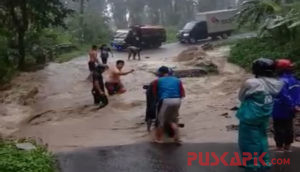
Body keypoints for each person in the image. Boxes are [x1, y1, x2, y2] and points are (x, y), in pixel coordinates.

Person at [236, 58, 283, 171]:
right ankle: (264, 162)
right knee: (262, 138)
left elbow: (241, 97)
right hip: (264, 115)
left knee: (249, 141)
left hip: (250, 117)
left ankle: (252, 165)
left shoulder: (251, 83)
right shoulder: (277, 83)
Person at [152, 66, 185, 144]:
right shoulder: (178, 80)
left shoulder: (157, 81)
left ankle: (159, 139)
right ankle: (177, 138)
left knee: (160, 121)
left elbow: (155, 93)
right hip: (177, 100)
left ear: (160, 73)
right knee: (173, 120)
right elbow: (182, 94)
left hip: (166, 100)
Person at [272, 59, 300, 152]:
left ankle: (279, 147)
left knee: (279, 127)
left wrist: (291, 105)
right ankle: (287, 146)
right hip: (292, 108)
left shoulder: (281, 81)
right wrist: (296, 105)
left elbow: (284, 96)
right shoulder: (295, 80)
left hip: (280, 108)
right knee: (288, 127)